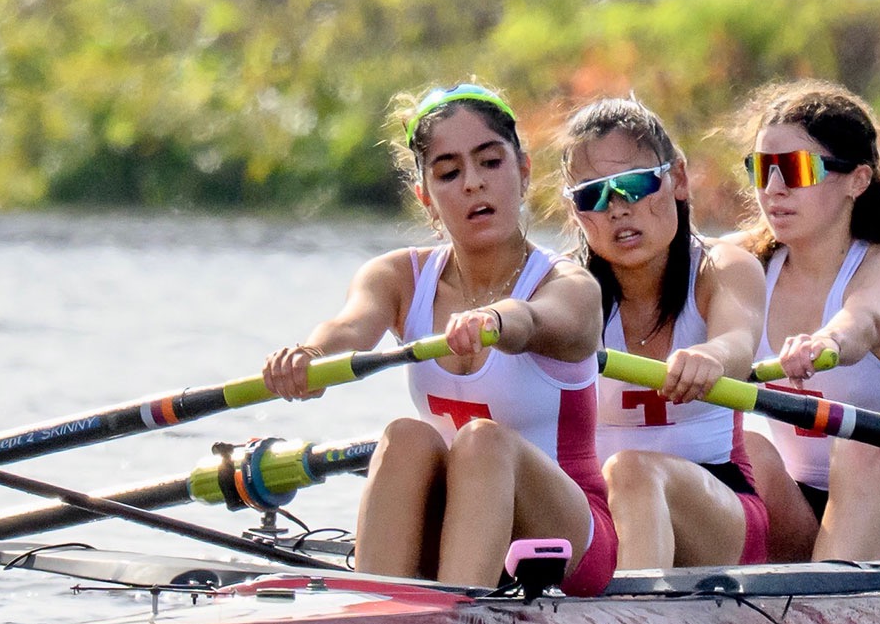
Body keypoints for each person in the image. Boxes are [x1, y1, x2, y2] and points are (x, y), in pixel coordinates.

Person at [261, 83, 617, 594]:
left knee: (482, 440)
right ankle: (375, 612)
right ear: (425, 197)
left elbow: (539, 321)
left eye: (490, 163)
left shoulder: (570, 285)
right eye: (449, 173)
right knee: (406, 436)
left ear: (523, 171)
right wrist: (311, 356)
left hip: (569, 536)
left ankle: (451, 619)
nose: (473, 184)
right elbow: (351, 327)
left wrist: (496, 320)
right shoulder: (398, 278)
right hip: (465, 520)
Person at [729, 79, 880, 563]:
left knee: (860, 445)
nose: (773, 189)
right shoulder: (741, 265)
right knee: (747, 445)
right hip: (798, 505)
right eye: (762, 169)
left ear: (857, 180)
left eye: (796, 169)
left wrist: (828, 342)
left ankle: (821, 606)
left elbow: (865, 319)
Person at [563, 98, 772, 568]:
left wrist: (711, 357)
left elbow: (738, 342)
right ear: (575, 212)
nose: (617, 209)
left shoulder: (722, 267)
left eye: (635, 184)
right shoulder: (564, 289)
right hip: (599, 505)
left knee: (632, 471)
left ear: (678, 178)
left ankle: (634, 613)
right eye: (592, 196)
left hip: (720, 506)